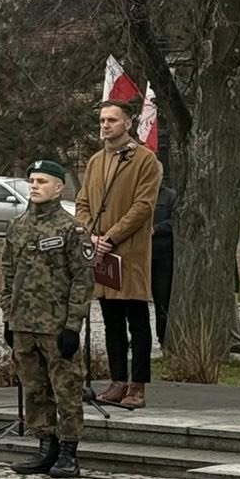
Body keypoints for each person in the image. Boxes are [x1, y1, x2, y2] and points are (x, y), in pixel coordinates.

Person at [0, 161, 94, 479]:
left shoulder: (71, 229)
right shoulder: (18, 226)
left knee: (66, 388)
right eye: (31, 181)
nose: (35, 186)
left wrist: (73, 326)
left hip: (56, 325)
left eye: (42, 181)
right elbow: (8, 274)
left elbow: (82, 280)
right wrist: (8, 318)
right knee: (34, 388)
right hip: (24, 322)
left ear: (58, 188)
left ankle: (68, 452)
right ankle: (45, 446)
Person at [77, 100, 163, 409]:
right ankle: (117, 380)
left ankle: (137, 385)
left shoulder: (145, 160)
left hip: (130, 252)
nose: (105, 125)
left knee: (136, 321)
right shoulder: (96, 162)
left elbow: (143, 206)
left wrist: (111, 237)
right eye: (102, 120)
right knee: (111, 320)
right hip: (100, 252)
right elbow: (83, 202)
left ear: (127, 123)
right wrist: (92, 235)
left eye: (112, 120)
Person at [151, 181, 176, 348]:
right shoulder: (136, 192)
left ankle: (163, 336)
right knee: (134, 300)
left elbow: (175, 221)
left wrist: (156, 229)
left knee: (162, 298)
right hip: (138, 254)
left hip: (162, 254)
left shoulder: (170, 196)